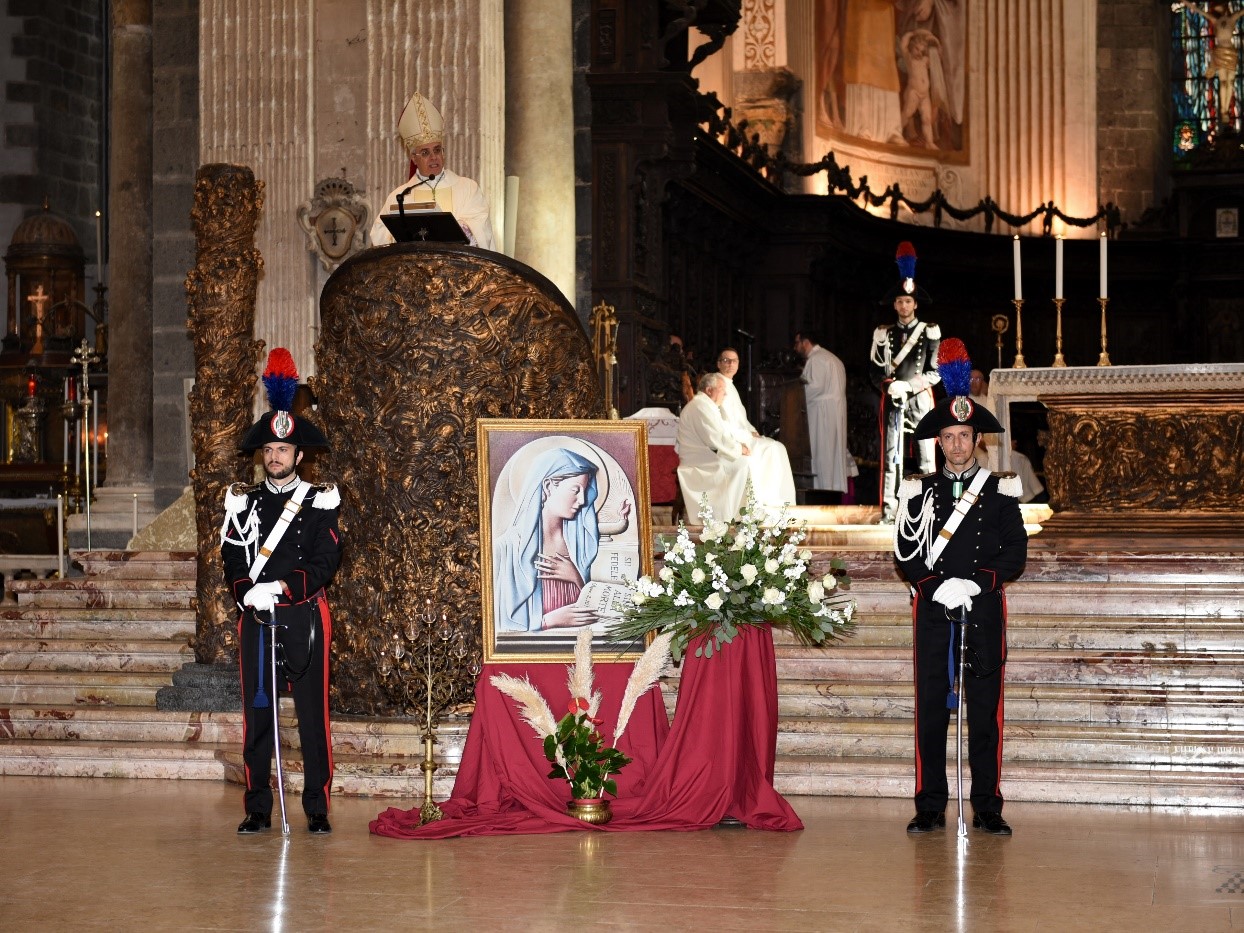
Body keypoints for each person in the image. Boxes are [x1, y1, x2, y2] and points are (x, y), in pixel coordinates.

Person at [894, 338, 1027, 837]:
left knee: (984, 714)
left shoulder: (999, 492)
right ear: (938, 441)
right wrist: (934, 588)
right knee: (930, 710)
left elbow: (1015, 554)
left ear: (977, 440)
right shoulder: (918, 490)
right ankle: (929, 804)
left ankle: (988, 806)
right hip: (933, 613)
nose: (955, 445)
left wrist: (975, 583)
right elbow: (905, 553)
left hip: (983, 610)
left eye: (964, 436)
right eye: (947, 436)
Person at [221, 349, 341, 835]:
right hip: (256, 617)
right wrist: (248, 590)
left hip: (304, 618)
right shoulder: (242, 503)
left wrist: (282, 587)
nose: (275, 457)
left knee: (313, 717)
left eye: (283, 451)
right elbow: (231, 556)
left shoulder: (319, 502)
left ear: (298, 455)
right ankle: (256, 807)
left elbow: (325, 561)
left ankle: (316, 807)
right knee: (258, 714)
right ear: (262, 455)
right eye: (268, 450)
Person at [494, 447, 631, 632]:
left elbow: (597, 606)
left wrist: (576, 577)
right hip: (537, 653)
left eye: (584, 491)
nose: (582, 500)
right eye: (575, 490)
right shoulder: (508, 548)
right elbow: (498, 623)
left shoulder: (580, 541)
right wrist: (547, 621)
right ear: (549, 487)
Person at [870, 241, 941, 522]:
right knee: (891, 459)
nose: (903, 305)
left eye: (908, 301)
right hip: (893, 399)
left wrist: (909, 386)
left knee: (926, 456)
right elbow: (875, 372)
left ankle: (932, 510)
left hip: (919, 398)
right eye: (899, 301)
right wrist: (890, 386)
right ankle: (889, 511)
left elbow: (935, 372)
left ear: (915, 303)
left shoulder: (930, 331)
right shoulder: (882, 333)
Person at [369, 91, 495, 249]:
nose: (433, 157)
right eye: (425, 153)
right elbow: (379, 235)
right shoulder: (399, 197)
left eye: (437, 150)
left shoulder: (468, 189)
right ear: (414, 158)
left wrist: (450, 232)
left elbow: (481, 228)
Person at [715, 347, 797, 510]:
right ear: (718, 364)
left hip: (741, 433)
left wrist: (752, 431)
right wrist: (746, 434)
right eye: (726, 360)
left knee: (778, 447)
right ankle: (766, 500)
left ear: (738, 365)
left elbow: (741, 418)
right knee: (772, 448)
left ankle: (778, 501)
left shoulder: (730, 385)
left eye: (734, 361)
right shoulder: (717, 383)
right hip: (732, 437)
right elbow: (721, 418)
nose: (731, 364)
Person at [675, 372, 754, 524]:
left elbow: (722, 433)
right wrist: (738, 449)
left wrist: (738, 446)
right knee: (743, 464)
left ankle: (733, 514)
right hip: (699, 463)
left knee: (744, 462)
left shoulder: (705, 405)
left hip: (705, 457)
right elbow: (715, 438)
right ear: (709, 390)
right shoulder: (700, 406)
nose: (725, 394)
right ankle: (727, 516)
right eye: (722, 389)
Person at [794, 332, 854, 497]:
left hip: (822, 414)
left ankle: (823, 495)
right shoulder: (833, 358)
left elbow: (814, 388)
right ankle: (833, 492)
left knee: (822, 455)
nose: (795, 347)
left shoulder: (816, 359)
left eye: (797, 342)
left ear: (805, 342)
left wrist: (795, 395)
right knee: (832, 455)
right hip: (834, 412)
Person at [969, 369, 998, 471]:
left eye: (977, 379)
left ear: (982, 382)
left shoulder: (988, 401)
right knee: (982, 458)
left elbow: (992, 426)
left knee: (1017, 457)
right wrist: (981, 442)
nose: (974, 382)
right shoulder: (963, 401)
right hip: (970, 443)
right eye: (971, 378)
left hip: (988, 441)